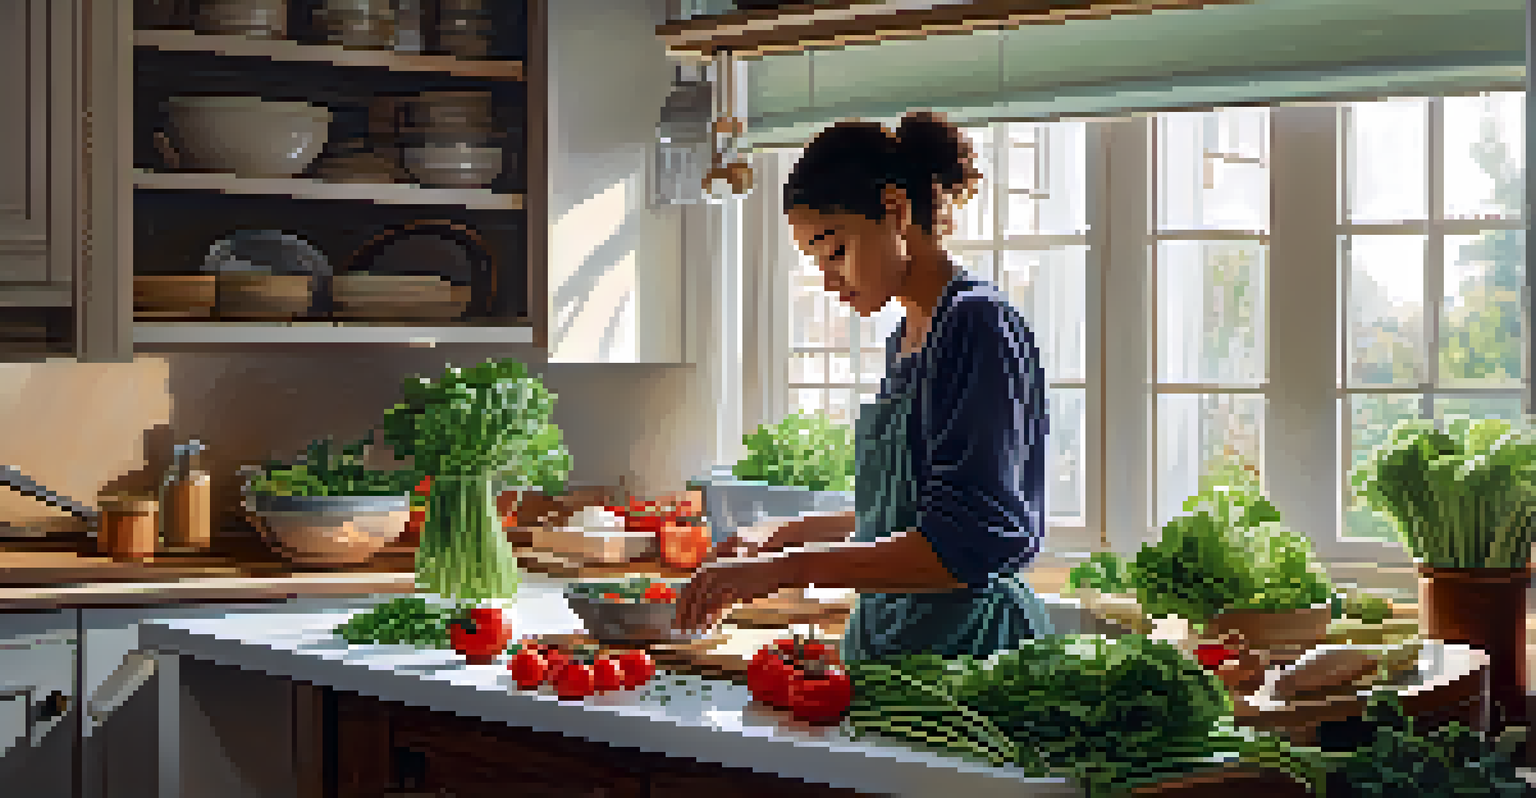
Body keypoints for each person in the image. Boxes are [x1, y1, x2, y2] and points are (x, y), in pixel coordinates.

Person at [673, 110, 1055, 661]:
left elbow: (963, 544)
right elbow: (902, 513)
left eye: (836, 251)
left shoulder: (977, 325)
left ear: (895, 211)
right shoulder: (908, 334)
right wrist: (782, 534)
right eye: (816, 261)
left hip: (969, 655)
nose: (829, 280)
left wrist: (784, 569)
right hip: (895, 644)